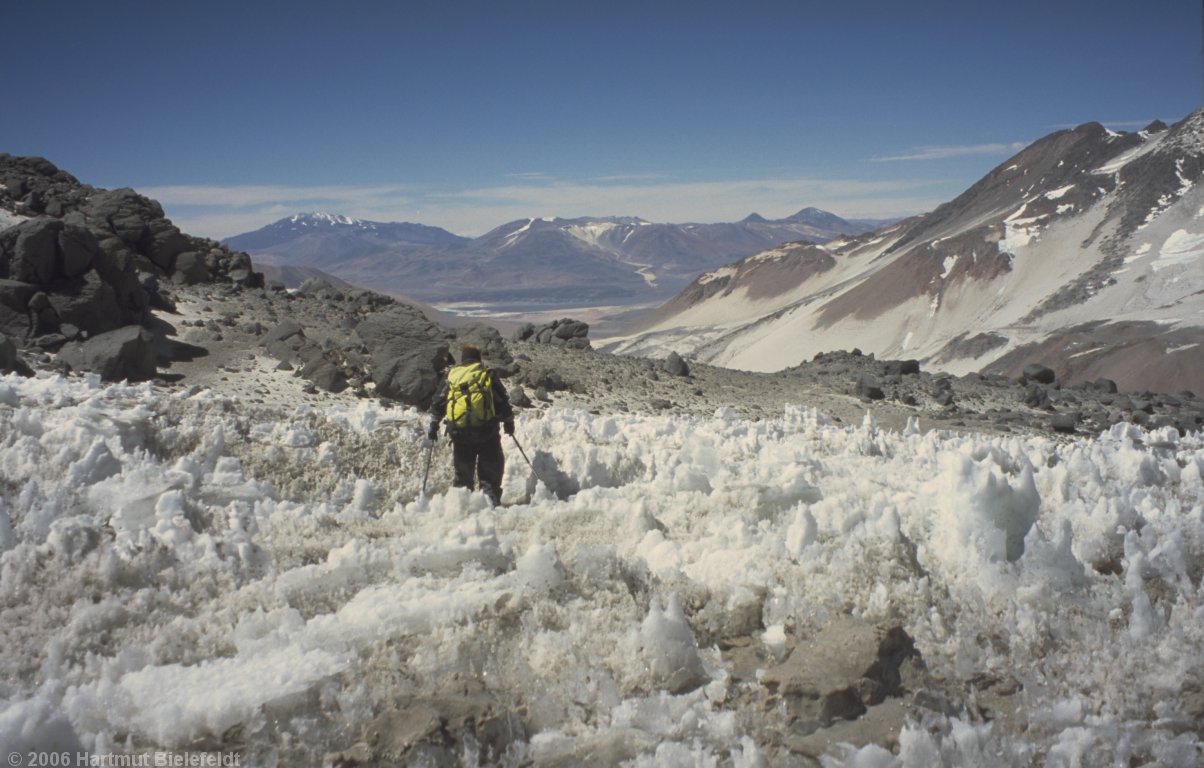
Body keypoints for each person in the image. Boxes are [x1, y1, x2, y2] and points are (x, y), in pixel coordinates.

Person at [427, 343, 515, 506]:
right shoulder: (486, 374)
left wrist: (434, 423)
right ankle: (490, 506)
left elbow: (439, 401)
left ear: (463, 359)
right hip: (486, 432)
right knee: (490, 475)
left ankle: (461, 509)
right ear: (478, 359)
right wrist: (509, 422)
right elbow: (502, 401)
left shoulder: (452, 375)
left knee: (463, 476)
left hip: (460, 433)